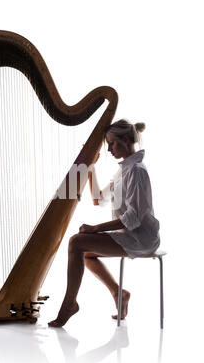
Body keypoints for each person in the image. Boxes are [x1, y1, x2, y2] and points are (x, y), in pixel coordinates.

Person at [48, 119, 160, 327]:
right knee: (83, 249)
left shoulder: (136, 171)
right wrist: (90, 167)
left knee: (77, 242)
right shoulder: (124, 170)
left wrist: (95, 228)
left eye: (112, 143)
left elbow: (133, 219)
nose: (109, 149)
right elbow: (98, 198)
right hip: (129, 234)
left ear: (126, 140)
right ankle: (118, 292)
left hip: (142, 238)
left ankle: (69, 304)